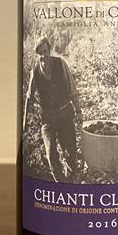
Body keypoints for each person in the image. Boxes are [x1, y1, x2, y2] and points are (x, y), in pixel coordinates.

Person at [24, 36, 81, 182]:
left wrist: (78, 111)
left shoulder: (60, 64)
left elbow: (72, 89)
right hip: (47, 119)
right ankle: (60, 183)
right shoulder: (35, 71)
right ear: (37, 54)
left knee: (70, 154)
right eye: (40, 53)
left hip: (64, 114)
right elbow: (29, 97)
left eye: (45, 51)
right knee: (51, 154)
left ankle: (70, 182)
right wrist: (24, 123)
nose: (43, 56)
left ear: (49, 50)